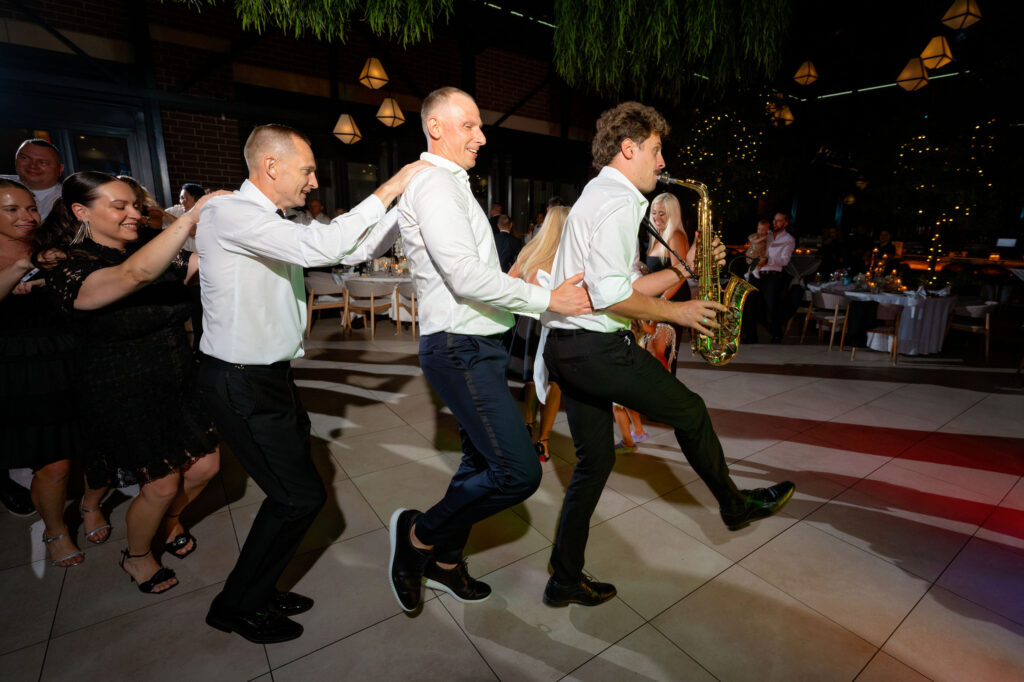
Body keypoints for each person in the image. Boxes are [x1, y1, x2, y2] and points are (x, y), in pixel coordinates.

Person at [540, 101, 795, 607]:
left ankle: (564, 578)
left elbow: (618, 284)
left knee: (593, 465)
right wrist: (678, 313)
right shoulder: (616, 203)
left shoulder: (599, 194)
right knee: (691, 413)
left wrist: (687, 268)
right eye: (656, 151)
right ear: (628, 148)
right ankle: (734, 506)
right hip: (596, 349)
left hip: (567, 350)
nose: (662, 163)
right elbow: (615, 296)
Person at [196, 124, 429, 644]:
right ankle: (236, 605)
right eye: (307, 169)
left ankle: (258, 588)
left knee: (295, 495)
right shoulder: (228, 213)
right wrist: (390, 186)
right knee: (297, 498)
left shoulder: (268, 221)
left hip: (269, 378)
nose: (314, 180)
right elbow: (320, 245)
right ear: (271, 166)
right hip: (241, 381)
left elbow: (347, 250)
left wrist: (403, 211)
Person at [387, 86, 592, 614]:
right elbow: (461, 275)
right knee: (518, 472)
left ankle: (447, 561)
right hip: (460, 346)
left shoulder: (450, 185)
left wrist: (514, 285)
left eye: (480, 127)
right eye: (469, 126)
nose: (481, 137)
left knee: (478, 464)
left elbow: (470, 273)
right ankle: (417, 536)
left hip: (476, 342)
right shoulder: (434, 184)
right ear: (436, 128)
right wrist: (549, 298)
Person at [33, 171, 223, 594]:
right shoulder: (67, 264)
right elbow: (132, 276)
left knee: (207, 465)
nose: (133, 213)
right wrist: (190, 217)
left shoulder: (146, 247)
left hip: (176, 376)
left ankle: (170, 521)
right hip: (121, 387)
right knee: (162, 483)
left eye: (135, 205)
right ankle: (137, 555)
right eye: (119, 206)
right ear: (82, 212)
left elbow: (196, 265)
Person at [0, 178, 86, 565]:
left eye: (31, 208)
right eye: (11, 209)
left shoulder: (49, 249)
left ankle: (91, 507)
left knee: (85, 449)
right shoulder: (21, 257)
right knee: (53, 462)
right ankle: (55, 529)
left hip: (66, 357)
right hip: (20, 373)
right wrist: (21, 268)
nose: (26, 217)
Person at [508, 205, 570, 462]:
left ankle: (527, 424)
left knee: (532, 379)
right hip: (556, 323)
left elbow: (509, 283)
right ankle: (543, 440)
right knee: (555, 383)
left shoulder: (530, 250)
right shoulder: (569, 255)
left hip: (528, 323)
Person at [749, 212, 796, 343]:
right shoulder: (766, 234)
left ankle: (776, 334)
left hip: (772, 275)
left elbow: (785, 260)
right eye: (774, 220)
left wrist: (768, 260)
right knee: (750, 303)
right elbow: (754, 247)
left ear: (785, 223)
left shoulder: (788, 239)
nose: (775, 223)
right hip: (756, 273)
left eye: (778, 221)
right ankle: (751, 336)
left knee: (772, 306)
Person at [1, 139, 63, 220]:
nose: (32, 166)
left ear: (60, 170)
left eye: (43, 162)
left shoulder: (69, 200)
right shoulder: (2, 183)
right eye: (25, 158)